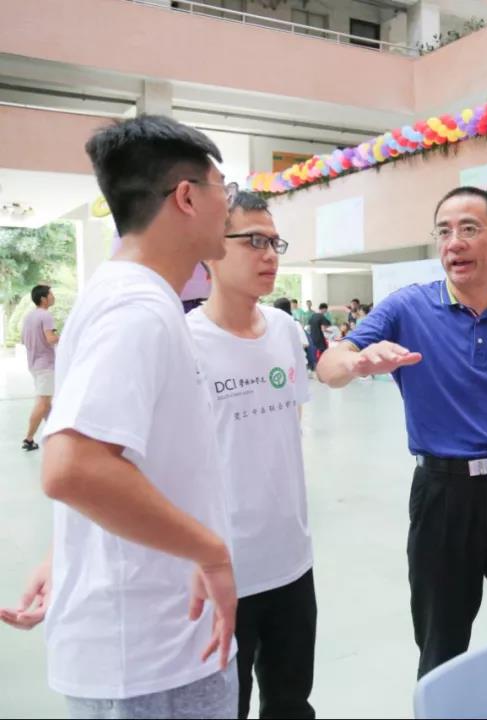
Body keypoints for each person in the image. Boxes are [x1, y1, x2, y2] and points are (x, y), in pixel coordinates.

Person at [0, 115, 239, 718]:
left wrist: (65, 552)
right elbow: (73, 468)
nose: (229, 207)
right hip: (149, 657)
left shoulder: (127, 296)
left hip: (155, 640)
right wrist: (211, 552)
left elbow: (120, 459)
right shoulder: (136, 307)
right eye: (223, 189)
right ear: (186, 196)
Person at [316, 186, 487, 678]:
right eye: (444, 231)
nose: (454, 242)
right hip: (441, 496)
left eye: (469, 229)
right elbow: (329, 366)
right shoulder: (407, 309)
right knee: (440, 640)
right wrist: (357, 361)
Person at [188, 193, 316, 719]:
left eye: (275, 243)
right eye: (254, 241)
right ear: (211, 249)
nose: (269, 255)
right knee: (226, 707)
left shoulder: (284, 330)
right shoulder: (184, 341)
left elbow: (290, 422)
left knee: (291, 703)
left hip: (292, 562)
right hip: (222, 570)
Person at [21, 284, 59, 451]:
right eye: (51, 294)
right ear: (43, 299)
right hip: (46, 365)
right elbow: (50, 338)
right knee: (43, 403)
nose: (53, 297)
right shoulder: (46, 315)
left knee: (47, 403)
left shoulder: (29, 316)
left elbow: (24, 340)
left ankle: (55, 437)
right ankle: (29, 439)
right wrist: (66, 337)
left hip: (34, 364)